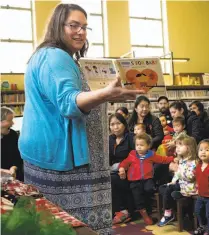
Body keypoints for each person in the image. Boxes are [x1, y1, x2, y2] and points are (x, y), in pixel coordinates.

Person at [18, 4, 143, 234]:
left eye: (85, 27)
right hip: (66, 161)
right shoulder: (56, 56)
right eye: (73, 25)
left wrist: (112, 93)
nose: (81, 32)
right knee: (77, 227)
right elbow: (68, 102)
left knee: (51, 225)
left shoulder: (47, 55)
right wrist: (107, 93)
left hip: (52, 155)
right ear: (58, 26)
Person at [118, 133, 175, 225]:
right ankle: (145, 216)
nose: (139, 147)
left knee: (149, 190)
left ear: (148, 146)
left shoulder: (151, 154)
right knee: (137, 197)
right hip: (134, 180)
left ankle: (149, 213)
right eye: (137, 145)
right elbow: (125, 163)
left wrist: (173, 158)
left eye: (142, 145)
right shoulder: (132, 154)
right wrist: (121, 168)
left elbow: (163, 159)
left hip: (147, 179)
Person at [158, 134, 198, 227]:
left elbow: (191, 177)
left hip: (190, 187)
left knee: (169, 190)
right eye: (177, 146)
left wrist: (179, 174)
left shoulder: (194, 162)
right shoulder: (182, 160)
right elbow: (177, 173)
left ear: (189, 147)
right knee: (163, 188)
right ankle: (176, 212)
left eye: (180, 145)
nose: (177, 148)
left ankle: (169, 213)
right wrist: (173, 180)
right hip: (182, 184)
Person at [109, 113, 135, 224]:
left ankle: (124, 210)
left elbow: (135, 157)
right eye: (112, 124)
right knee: (106, 178)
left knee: (113, 179)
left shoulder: (131, 137)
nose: (115, 127)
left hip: (130, 170)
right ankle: (114, 210)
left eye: (118, 123)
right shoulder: (110, 139)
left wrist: (123, 167)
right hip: (115, 170)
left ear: (124, 124)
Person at [1, 107, 23, 181]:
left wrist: (14, 167)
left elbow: (18, 157)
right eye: (10, 120)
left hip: (13, 175)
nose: (13, 123)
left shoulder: (13, 134)